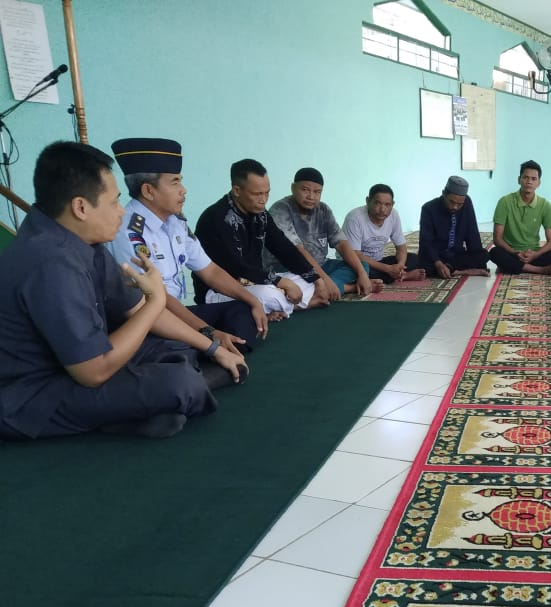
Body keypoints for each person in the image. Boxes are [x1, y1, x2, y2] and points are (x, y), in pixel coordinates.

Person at [0, 141, 245, 441]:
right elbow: (94, 371)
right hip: (37, 392)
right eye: (115, 202)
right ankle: (147, 406)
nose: (121, 212)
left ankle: (140, 410)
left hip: (81, 363)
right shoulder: (50, 261)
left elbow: (135, 308)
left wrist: (211, 347)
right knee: (179, 384)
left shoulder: (84, 240)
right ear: (80, 207)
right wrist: (156, 302)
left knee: (178, 346)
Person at [109, 137, 268, 355]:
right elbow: (156, 298)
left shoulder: (176, 222)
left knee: (243, 309)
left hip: (178, 313)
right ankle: (209, 352)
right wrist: (208, 331)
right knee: (179, 346)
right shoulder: (129, 231)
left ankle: (218, 351)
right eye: (175, 182)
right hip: (150, 320)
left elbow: (210, 271)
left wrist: (253, 301)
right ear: (148, 191)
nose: (183, 190)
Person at [194, 158, 335, 316]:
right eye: (257, 194)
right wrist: (279, 282)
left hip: (256, 282)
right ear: (237, 190)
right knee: (270, 295)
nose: (263, 200)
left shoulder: (260, 214)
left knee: (304, 280)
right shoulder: (217, 218)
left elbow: (283, 247)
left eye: (267, 193)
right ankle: (297, 306)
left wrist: (316, 278)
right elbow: (237, 266)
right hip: (221, 291)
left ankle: (278, 307)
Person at [269, 167, 382, 296]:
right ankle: (346, 288)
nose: (311, 196)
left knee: (361, 266)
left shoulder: (323, 210)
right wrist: (324, 280)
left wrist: (362, 275)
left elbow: (341, 243)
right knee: (292, 282)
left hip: (321, 265)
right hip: (289, 268)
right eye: (305, 190)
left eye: (317, 192)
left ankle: (320, 290)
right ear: (293, 188)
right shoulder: (280, 210)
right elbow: (298, 251)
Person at [488, 160, 551, 275]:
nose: (529, 182)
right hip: (511, 252)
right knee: (494, 252)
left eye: (534, 179)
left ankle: (513, 266)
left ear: (539, 183)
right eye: (525, 177)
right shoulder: (505, 202)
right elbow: (497, 239)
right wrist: (515, 253)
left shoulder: (545, 206)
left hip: (533, 253)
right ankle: (539, 270)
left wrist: (534, 255)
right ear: (519, 180)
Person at [341, 184, 425, 284]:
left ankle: (400, 274)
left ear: (392, 204)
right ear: (368, 201)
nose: (382, 209)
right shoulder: (354, 218)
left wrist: (400, 266)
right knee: (357, 272)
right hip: (357, 263)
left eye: (387, 205)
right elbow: (355, 255)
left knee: (416, 258)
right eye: (377, 203)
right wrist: (388, 269)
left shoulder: (393, 215)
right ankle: (402, 276)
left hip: (379, 262)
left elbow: (401, 247)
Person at [417, 175, 489, 278]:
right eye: (452, 202)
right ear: (444, 194)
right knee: (422, 267)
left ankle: (452, 269)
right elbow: (426, 242)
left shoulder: (467, 202)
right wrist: (438, 263)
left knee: (484, 255)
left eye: (459, 204)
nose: (455, 207)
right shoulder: (428, 208)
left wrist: (477, 256)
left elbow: (472, 233)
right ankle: (458, 270)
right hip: (436, 256)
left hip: (456, 255)